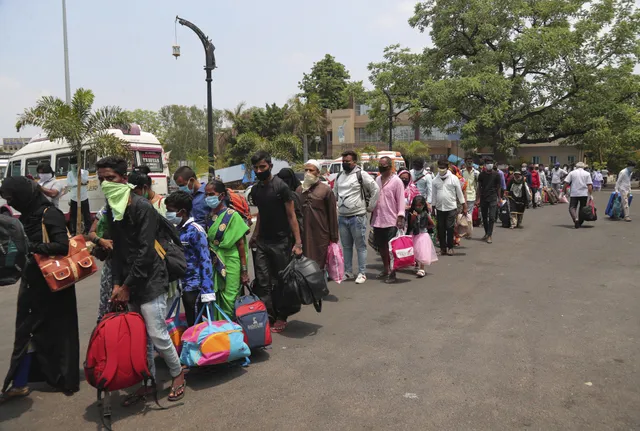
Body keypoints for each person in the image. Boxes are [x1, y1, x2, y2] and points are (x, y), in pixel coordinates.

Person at [96, 156, 185, 404]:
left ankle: (178, 375)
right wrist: (116, 284)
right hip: (128, 281)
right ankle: (148, 382)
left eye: (110, 179)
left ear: (124, 179)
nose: (105, 184)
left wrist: (125, 286)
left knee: (157, 333)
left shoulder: (141, 207)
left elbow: (146, 253)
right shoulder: (114, 208)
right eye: (101, 179)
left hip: (150, 279)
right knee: (139, 336)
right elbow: (117, 252)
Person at [0, 177, 79, 403]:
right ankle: (19, 383)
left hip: (54, 286)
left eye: (12, 198)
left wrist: (30, 247)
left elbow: (62, 246)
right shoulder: (24, 217)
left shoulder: (48, 214)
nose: (11, 202)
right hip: (31, 283)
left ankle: (65, 378)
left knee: (59, 333)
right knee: (25, 333)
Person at [249, 151, 303, 333]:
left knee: (282, 281)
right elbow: (262, 215)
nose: (259, 170)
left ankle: (282, 315)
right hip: (263, 242)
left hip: (281, 242)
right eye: (256, 168)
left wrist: (298, 243)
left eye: (262, 167)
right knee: (263, 281)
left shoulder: (281, 187)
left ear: (270, 166)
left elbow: (291, 216)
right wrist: (255, 236)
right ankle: (269, 315)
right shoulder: (256, 190)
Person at [164, 191, 215, 327]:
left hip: (196, 286)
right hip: (183, 285)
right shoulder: (178, 230)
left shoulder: (196, 231)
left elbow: (205, 260)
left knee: (197, 323)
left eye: (171, 211)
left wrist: (207, 290)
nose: (168, 213)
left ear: (182, 211)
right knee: (190, 321)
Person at [204, 181, 249, 320]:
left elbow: (241, 246)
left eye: (212, 194)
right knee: (216, 297)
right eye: (206, 195)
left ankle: (232, 331)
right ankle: (220, 331)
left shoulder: (232, 216)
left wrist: (244, 271)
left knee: (230, 299)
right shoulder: (209, 216)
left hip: (231, 261)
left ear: (222, 195)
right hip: (214, 262)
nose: (208, 197)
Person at [333, 151, 379, 284]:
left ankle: (362, 273)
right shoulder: (340, 175)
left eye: (348, 161)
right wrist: (336, 205)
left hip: (357, 216)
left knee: (360, 246)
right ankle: (348, 272)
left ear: (354, 162)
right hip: (342, 217)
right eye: (343, 161)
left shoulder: (361, 174)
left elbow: (375, 189)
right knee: (346, 246)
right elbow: (335, 192)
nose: (345, 163)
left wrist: (370, 207)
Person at [296, 159, 339, 270]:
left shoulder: (326, 190)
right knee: (304, 267)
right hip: (303, 235)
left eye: (311, 170)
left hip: (321, 235)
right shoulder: (299, 190)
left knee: (319, 266)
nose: (308, 173)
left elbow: (332, 215)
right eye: (306, 170)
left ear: (318, 173)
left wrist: (334, 237)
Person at [371, 157, 405, 284]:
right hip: (378, 219)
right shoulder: (377, 180)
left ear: (390, 166)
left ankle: (393, 272)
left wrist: (400, 217)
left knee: (391, 249)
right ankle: (386, 269)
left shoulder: (397, 181)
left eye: (384, 165)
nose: (381, 167)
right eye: (380, 165)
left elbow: (401, 200)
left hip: (392, 220)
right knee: (381, 247)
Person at [432, 160, 467, 256]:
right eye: (440, 167)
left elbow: (459, 193)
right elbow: (434, 195)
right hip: (439, 208)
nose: (441, 169)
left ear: (447, 167)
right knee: (441, 228)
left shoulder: (454, 178)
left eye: (443, 167)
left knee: (449, 227)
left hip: (451, 207)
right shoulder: (435, 180)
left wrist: (464, 206)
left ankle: (450, 247)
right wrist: (433, 207)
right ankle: (443, 248)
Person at [407, 195, 437, 278]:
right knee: (415, 251)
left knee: (423, 252)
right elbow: (410, 224)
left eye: (420, 205)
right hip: (414, 234)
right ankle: (416, 265)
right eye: (416, 206)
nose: (418, 207)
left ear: (423, 205)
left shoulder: (425, 214)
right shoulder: (411, 214)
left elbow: (432, 224)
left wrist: (425, 227)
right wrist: (413, 217)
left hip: (423, 235)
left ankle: (422, 268)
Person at [476, 158, 502, 243]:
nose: (489, 164)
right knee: (484, 217)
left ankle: (490, 235)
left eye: (491, 163)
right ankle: (487, 233)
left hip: (493, 197)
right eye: (488, 163)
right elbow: (479, 187)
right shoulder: (481, 175)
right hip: (484, 197)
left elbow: (498, 187)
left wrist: (499, 198)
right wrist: (478, 198)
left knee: (491, 217)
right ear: (485, 165)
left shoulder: (497, 175)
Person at [563, 161, 593, 229]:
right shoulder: (587, 174)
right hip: (584, 193)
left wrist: (563, 191)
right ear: (583, 167)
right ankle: (580, 222)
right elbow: (589, 185)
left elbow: (566, 183)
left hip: (574, 193)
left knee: (572, 207)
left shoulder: (572, 173)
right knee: (582, 208)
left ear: (576, 167)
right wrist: (590, 194)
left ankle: (575, 219)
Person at [67, 157, 91, 235]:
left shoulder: (85, 172)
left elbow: (85, 181)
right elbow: (69, 184)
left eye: (76, 165)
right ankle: (73, 231)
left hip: (84, 197)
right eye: (72, 165)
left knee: (86, 215)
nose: (74, 166)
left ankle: (88, 230)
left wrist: (78, 173)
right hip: (74, 197)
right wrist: (79, 184)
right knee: (73, 215)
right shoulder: (69, 174)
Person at [277, 168, 304, 235]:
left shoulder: (298, 191)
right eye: (282, 178)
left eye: (286, 178)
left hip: (294, 230)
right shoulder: (276, 192)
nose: (284, 181)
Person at [462, 157, 479, 234]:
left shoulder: (476, 173)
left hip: (472, 195)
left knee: (469, 214)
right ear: (465, 162)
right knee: (462, 213)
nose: (469, 163)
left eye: (471, 161)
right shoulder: (461, 172)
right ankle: (462, 229)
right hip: (462, 197)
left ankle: (469, 230)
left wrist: (478, 198)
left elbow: (479, 186)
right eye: (468, 161)